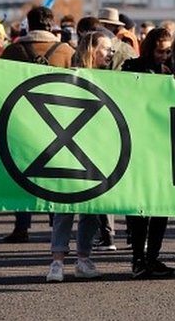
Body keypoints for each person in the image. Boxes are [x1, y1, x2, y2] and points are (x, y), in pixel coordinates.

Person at [0, 6, 75, 244]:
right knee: (54, 174)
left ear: (29, 25)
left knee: (21, 174)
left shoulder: (13, 50)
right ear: (51, 24)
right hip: (60, 121)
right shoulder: (66, 51)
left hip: (20, 121)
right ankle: (56, 226)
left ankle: (21, 227)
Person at [45, 30, 114, 282]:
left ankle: (83, 258)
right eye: (106, 48)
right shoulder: (68, 77)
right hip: (69, 149)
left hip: (96, 150)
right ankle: (57, 262)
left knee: (91, 210)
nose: (110, 53)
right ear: (91, 49)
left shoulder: (112, 78)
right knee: (65, 207)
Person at [120, 28, 175, 278]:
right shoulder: (131, 68)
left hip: (162, 147)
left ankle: (152, 257)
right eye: (160, 51)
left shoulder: (168, 72)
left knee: (161, 206)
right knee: (139, 207)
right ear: (149, 47)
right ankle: (138, 259)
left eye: (168, 51)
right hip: (137, 146)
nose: (164, 55)